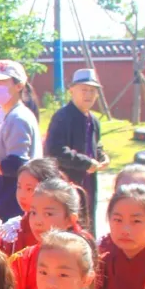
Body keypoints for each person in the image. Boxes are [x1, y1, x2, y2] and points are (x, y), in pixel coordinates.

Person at [9, 178, 90, 289]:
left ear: (71, 219)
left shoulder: (84, 256)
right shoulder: (20, 259)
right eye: (33, 213)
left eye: (48, 214)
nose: (38, 221)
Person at [44, 68, 110, 233]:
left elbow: (96, 145)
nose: (88, 94)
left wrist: (102, 157)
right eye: (84, 89)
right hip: (67, 184)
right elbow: (55, 151)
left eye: (92, 91)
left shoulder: (94, 120)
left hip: (88, 184)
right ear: (72, 90)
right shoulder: (63, 117)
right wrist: (85, 163)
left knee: (88, 225)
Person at [0, 60, 41, 221]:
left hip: (12, 202)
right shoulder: (11, 115)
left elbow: (16, 165)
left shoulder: (18, 118)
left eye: (0, 81)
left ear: (19, 85)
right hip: (7, 198)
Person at [0, 157, 62, 257]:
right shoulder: (13, 230)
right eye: (19, 187)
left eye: (29, 189)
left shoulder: (65, 232)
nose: (22, 195)